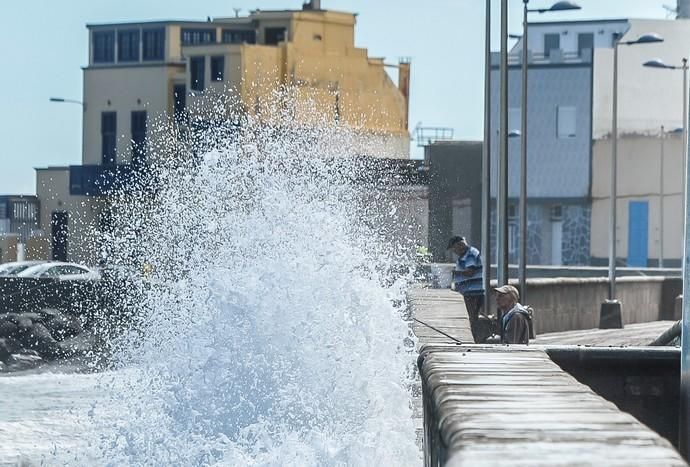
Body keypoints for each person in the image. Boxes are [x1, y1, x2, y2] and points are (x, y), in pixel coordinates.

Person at [447, 236, 485, 343]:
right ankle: (474, 338)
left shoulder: (470, 254)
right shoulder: (465, 255)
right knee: (470, 317)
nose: (454, 252)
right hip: (468, 292)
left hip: (473, 293)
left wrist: (453, 272)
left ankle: (474, 340)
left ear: (460, 245)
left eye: (454, 249)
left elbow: (470, 272)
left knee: (471, 318)